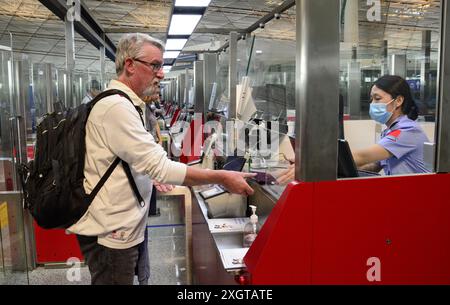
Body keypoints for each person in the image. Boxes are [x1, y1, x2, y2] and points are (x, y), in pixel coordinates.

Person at [67, 33, 255, 285]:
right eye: (154, 65)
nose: (161, 73)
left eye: (161, 66)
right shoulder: (116, 108)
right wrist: (222, 177)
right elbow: (161, 167)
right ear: (130, 65)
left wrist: (146, 176)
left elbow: (128, 161)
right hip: (111, 232)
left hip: (123, 225)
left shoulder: (127, 104)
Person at [276, 75, 430, 184]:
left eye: (377, 98)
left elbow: (362, 156)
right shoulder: (390, 131)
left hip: (418, 197)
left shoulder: (407, 131)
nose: (372, 103)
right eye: (371, 99)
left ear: (399, 101)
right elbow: (374, 165)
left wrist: (312, 163)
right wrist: (340, 169)